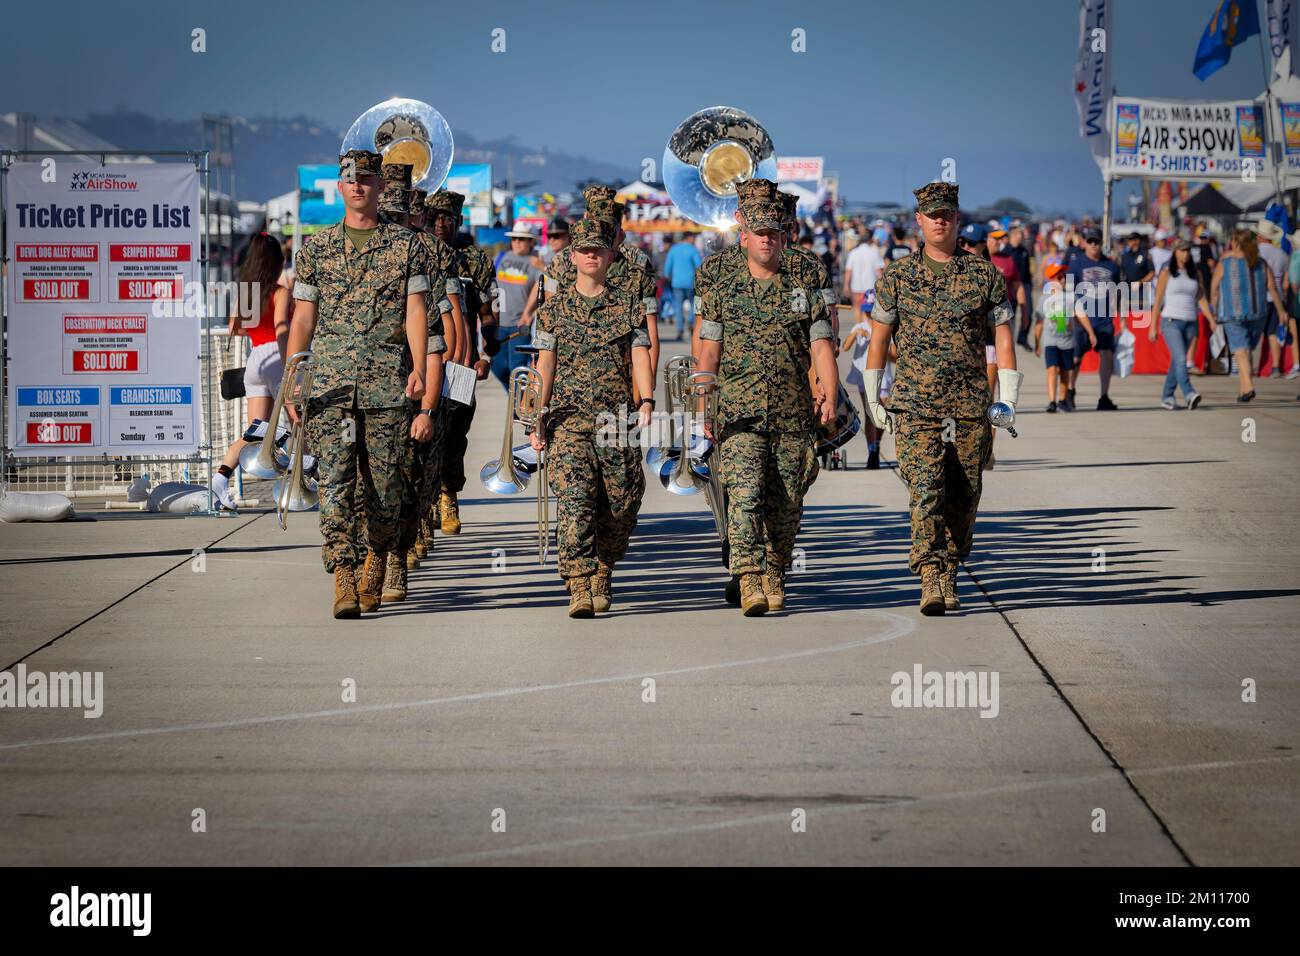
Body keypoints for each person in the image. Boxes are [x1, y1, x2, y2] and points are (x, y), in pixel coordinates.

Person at [286, 148, 431, 619]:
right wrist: (294, 378)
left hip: (387, 383)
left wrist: (420, 368)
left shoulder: (405, 246)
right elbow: (303, 317)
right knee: (334, 483)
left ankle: (377, 558)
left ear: (379, 186)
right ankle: (343, 575)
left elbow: (415, 312)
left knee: (386, 486)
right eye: (349, 178)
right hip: (329, 383)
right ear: (339, 185)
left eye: (366, 178)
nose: (358, 186)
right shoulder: (317, 248)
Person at [865, 182, 1019, 616]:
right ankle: (931, 575)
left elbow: (1002, 341)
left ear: (957, 218)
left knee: (964, 497)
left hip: (970, 406)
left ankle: (951, 564)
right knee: (925, 492)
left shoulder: (984, 275)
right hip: (915, 404)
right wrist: (876, 394)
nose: (939, 220)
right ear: (918, 220)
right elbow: (879, 341)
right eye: (931, 214)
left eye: (946, 214)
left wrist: (1006, 399)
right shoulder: (897, 277)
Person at [697, 183, 838, 616]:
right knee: (744, 494)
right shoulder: (724, 288)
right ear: (744, 235)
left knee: (786, 501)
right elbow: (708, 351)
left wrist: (829, 394)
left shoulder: (805, 287)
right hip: (738, 412)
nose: (765, 239)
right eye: (758, 232)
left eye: (773, 233)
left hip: (793, 412)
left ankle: (774, 571)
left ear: (783, 236)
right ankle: (749, 578)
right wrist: (702, 404)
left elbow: (821, 346)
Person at [530, 219, 653, 618]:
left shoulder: (629, 306)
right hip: (568, 421)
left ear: (610, 254)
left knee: (622, 502)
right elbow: (544, 365)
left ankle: (604, 564)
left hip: (616, 420)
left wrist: (647, 400)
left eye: (598, 248)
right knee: (575, 502)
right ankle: (579, 583)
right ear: (573, 255)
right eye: (583, 249)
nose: (590, 255)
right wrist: (537, 414)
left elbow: (639, 357)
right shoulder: (554, 310)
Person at [377, 167, 448, 599]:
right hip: (364, 392)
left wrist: (433, 403)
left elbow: (443, 329)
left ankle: (396, 557)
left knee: (411, 477)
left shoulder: (424, 258)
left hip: (414, 386)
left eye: (400, 216)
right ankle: (369, 560)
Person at [430, 190, 498, 540]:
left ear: (458, 221)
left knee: (455, 435)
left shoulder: (474, 261)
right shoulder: (416, 253)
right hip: (423, 360)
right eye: (436, 217)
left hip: (462, 363)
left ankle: (448, 495)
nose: (441, 223)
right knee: (422, 434)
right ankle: (422, 507)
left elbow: (487, 310)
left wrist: (488, 350)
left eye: (448, 218)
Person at [211, 232, 291, 510]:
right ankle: (303, 484)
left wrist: (257, 326)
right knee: (299, 421)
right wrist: (290, 360)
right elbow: (281, 329)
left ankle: (220, 479)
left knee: (255, 432)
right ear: (277, 263)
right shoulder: (280, 292)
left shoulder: (248, 292)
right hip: (276, 357)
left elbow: (235, 326)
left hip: (255, 358)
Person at [1211, 227, 1287, 402]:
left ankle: (1249, 387)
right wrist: (1281, 310)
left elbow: (1214, 289)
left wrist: (1214, 310)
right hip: (1258, 314)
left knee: (1240, 350)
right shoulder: (1260, 262)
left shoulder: (1226, 262)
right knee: (1246, 350)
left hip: (1232, 314)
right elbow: (1272, 288)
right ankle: (1243, 390)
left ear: (1236, 243)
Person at [1150, 238, 1210, 410]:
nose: (1186, 254)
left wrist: (1211, 319)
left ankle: (1167, 396)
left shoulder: (1194, 273)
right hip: (1171, 321)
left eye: (1188, 250)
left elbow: (1201, 298)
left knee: (1177, 362)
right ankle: (1189, 393)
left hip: (1190, 321)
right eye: (1182, 250)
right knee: (1182, 359)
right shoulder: (1167, 272)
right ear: (1175, 252)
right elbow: (1158, 300)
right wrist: (1153, 326)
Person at [1068, 226, 1122, 410]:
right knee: (1076, 359)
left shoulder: (1112, 265)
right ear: (1084, 243)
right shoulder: (1076, 264)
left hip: (1104, 320)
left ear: (1101, 243)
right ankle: (1070, 390)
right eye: (1089, 241)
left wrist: (1119, 316)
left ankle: (1104, 396)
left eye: (1096, 242)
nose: (1093, 245)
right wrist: (1069, 318)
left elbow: (1117, 293)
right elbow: (1069, 292)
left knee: (1106, 356)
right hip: (1082, 320)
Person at [839, 290, 892, 467]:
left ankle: (876, 442)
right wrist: (856, 334)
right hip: (863, 375)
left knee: (882, 410)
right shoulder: (860, 326)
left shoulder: (885, 328)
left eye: (872, 311)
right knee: (870, 412)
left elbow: (894, 355)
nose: (869, 315)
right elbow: (845, 347)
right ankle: (872, 449)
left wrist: (880, 344)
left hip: (883, 375)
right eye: (867, 311)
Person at [1034, 261, 1093, 411]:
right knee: (1052, 369)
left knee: (1065, 371)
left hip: (1067, 341)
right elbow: (1039, 322)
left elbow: (1082, 316)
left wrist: (1091, 333)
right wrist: (1037, 343)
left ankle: (1062, 400)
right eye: (1059, 277)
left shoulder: (1071, 297)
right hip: (1050, 341)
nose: (1063, 280)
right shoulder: (1044, 299)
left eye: (1064, 277)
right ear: (1051, 280)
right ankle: (1052, 402)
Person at [1255, 220, 1291, 379]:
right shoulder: (1282, 254)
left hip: (1259, 297)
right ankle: (1276, 366)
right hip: (1277, 299)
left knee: (1253, 333)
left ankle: (1249, 367)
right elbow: (1285, 282)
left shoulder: (1255, 253)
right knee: (1273, 333)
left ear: (1259, 236)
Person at [662, 232, 702, 342]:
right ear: (689, 238)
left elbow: (667, 267)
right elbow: (699, 266)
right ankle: (691, 322)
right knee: (693, 304)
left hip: (677, 283)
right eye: (693, 237)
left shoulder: (673, 250)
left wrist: (666, 277)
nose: (694, 240)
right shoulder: (693, 250)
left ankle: (680, 330)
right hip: (691, 283)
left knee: (678, 306)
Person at [843, 222, 886, 313]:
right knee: (870, 311)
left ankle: (860, 325)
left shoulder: (853, 253)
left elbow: (848, 271)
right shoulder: (874, 252)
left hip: (856, 286)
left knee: (858, 308)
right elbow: (879, 271)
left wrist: (846, 285)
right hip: (870, 286)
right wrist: (883, 285)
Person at [1007, 223, 1034, 347]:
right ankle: (1008, 339)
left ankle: (1022, 338)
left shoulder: (1024, 251)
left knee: (1028, 312)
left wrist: (1029, 286)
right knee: (1009, 315)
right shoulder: (1006, 251)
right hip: (1011, 286)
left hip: (1025, 284)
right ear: (1012, 235)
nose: (1021, 236)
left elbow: (1028, 270)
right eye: (1018, 233)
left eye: (1021, 234)